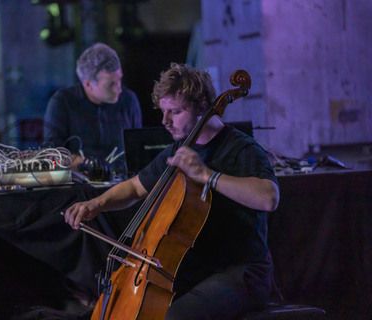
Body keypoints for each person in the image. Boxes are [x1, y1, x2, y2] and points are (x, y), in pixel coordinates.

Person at [64, 63, 280, 319]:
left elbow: (269, 197)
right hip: (196, 269)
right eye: (163, 112)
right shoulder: (179, 151)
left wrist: (207, 175)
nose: (165, 121)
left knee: (176, 317)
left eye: (175, 112)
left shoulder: (241, 149)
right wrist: (96, 204)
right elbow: (135, 186)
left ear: (202, 109)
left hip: (241, 271)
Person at [43, 43, 142, 176]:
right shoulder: (62, 102)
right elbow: (52, 153)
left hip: (122, 184)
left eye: (119, 80)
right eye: (111, 84)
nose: (119, 88)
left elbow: (138, 148)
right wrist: (88, 166)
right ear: (88, 84)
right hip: (78, 185)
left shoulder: (129, 100)